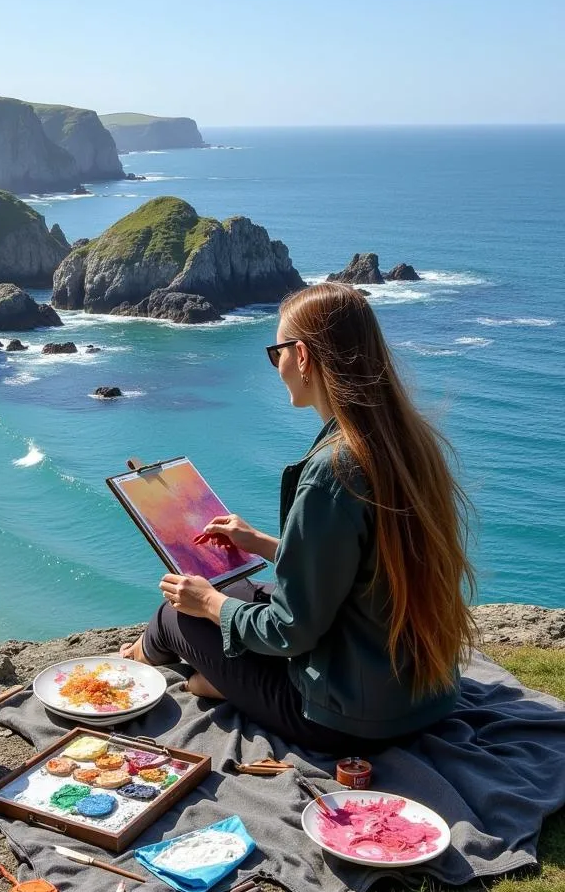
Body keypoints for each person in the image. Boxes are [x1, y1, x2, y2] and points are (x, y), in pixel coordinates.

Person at [120, 281, 477, 753]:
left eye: (277, 353)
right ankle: (201, 673)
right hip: (422, 695)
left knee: (175, 615)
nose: (277, 367)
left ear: (303, 356)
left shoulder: (335, 470)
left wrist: (208, 604)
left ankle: (142, 662)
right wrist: (264, 543)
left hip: (346, 720)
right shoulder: (407, 441)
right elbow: (362, 568)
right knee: (240, 590)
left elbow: (291, 631)